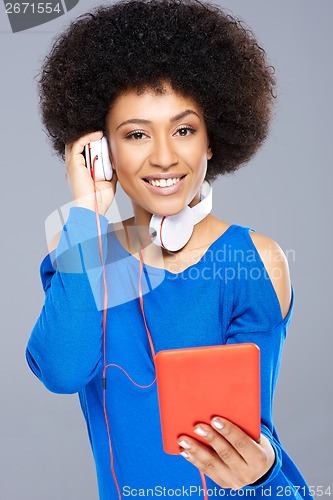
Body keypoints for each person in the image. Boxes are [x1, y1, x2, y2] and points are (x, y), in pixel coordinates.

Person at [26, 0, 313, 498]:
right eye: (136, 134)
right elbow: (62, 370)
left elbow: (251, 426)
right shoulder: (80, 250)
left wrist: (263, 467)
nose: (163, 156)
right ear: (101, 149)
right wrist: (88, 210)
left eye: (184, 130)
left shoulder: (253, 260)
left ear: (211, 140)